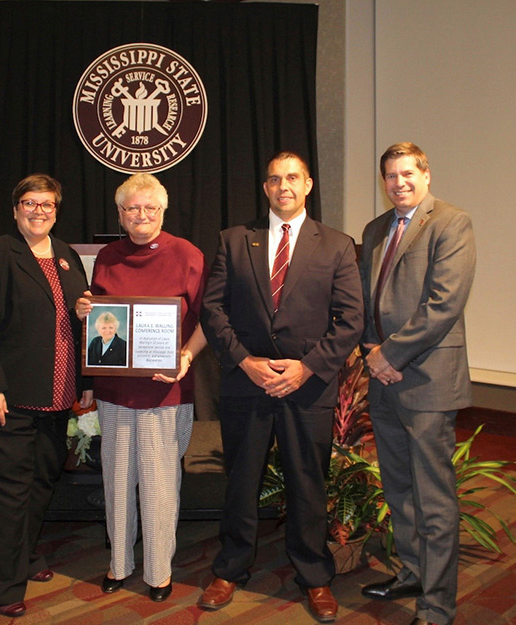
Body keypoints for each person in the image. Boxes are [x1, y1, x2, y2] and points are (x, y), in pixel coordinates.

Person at [199, 151, 364, 623]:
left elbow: (350, 320)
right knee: (241, 483)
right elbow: (213, 311)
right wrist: (245, 362)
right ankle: (230, 568)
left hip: (307, 387)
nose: (283, 186)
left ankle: (315, 576)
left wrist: (307, 368)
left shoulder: (336, 244)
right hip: (246, 384)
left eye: (292, 177)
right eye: (274, 178)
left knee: (308, 484)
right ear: (266, 187)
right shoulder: (234, 241)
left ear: (308, 184)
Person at [0, 173, 92, 618]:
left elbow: (77, 323)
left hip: (56, 400)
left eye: (47, 204)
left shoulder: (69, 256)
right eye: (30, 203)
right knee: (4, 493)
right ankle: (1, 585)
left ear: (57, 210)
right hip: (7, 400)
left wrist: (86, 377)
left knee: (39, 484)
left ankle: (24, 556)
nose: (39, 211)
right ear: (16, 210)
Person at [75, 173, 208, 603]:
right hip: (115, 392)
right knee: (116, 481)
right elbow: (101, 316)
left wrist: (185, 357)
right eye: (133, 208)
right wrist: (84, 308)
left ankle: (159, 571)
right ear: (120, 214)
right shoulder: (109, 256)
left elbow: (209, 319)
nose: (142, 216)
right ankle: (120, 563)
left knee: (158, 484)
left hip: (165, 393)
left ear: (163, 211)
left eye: (150, 208)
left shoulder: (186, 254)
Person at [358, 143, 476, 625]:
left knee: (433, 497)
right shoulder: (373, 230)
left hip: (427, 378)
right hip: (384, 379)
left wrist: (390, 354)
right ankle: (410, 571)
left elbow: (444, 305)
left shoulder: (452, 223)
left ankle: (437, 605)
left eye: (407, 173)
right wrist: (371, 353)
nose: (398, 182)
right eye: (390, 175)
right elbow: (366, 302)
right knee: (398, 487)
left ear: (426, 174)